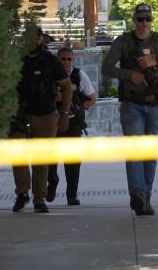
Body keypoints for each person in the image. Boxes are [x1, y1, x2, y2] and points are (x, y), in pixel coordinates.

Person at [102, 3, 158, 216]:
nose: (144, 23)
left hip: (156, 104)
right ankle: (138, 194)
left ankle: (145, 196)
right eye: (140, 19)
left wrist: (157, 62)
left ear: (151, 20)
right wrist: (129, 74)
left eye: (148, 19)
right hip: (131, 104)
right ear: (134, 20)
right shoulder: (123, 41)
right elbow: (107, 68)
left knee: (150, 154)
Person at [11, 27, 73, 213]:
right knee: (18, 157)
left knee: (41, 159)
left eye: (36, 37)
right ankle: (22, 193)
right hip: (19, 114)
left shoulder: (50, 61)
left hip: (46, 114)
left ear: (41, 39)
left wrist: (63, 114)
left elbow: (67, 87)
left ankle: (40, 198)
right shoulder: (15, 59)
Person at [46, 47, 97, 206]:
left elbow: (92, 98)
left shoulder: (80, 76)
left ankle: (72, 195)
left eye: (69, 59)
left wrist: (81, 107)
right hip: (52, 121)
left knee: (72, 160)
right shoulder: (50, 76)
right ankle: (52, 182)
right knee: (49, 158)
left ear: (73, 61)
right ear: (57, 60)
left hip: (73, 123)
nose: (66, 62)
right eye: (63, 59)